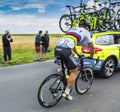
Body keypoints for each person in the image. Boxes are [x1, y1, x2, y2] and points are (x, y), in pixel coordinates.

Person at [54, 19, 94, 100]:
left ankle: (61, 81)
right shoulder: (86, 31)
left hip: (57, 49)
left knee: (66, 64)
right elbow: (91, 46)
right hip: (65, 50)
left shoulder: (72, 29)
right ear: (86, 27)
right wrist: (91, 55)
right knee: (75, 71)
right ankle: (66, 93)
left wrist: (78, 54)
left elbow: (72, 44)